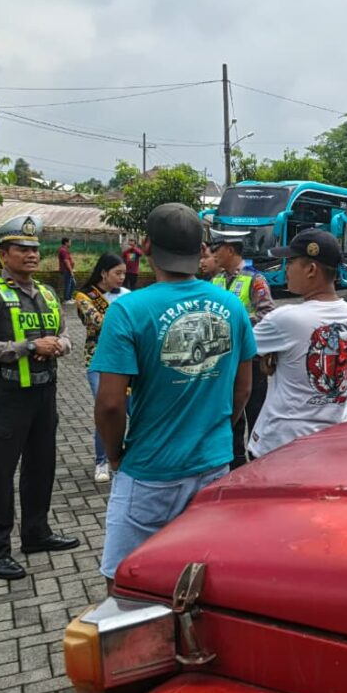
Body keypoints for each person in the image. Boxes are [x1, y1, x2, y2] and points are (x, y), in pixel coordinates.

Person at [92, 203, 255, 591]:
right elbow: (243, 387)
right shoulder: (231, 305)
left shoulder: (128, 310)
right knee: (199, 575)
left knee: (125, 582)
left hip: (150, 470)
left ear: (146, 246)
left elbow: (111, 403)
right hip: (214, 465)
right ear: (201, 248)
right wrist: (215, 430)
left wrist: (115, 455)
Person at [0, 215, 80, 581]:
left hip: (44, 392)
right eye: (22, 249)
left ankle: (36, 533)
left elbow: (65, 335)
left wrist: (58, 345)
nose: (32, 255)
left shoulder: (46, 293)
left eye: (35, 249)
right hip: (7, 395)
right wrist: (28, 346)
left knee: (41, 466)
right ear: (2, 255)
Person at [248, 229, 347, 459]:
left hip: (281, 446)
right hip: (332, 444)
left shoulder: (285, 318)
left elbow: (239, 350)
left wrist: (266, 357)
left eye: (291, 262)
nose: (286, 269)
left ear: (311, 269)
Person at [210, 229, 274, 469]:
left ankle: (259, 462)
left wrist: (236, 321)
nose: (213, 254)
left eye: (217, 249)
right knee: (230, 415)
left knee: (255, 412)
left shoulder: (255, 279)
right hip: (224, 360)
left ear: (230, 249)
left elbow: (267, 314)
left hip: (252, 360)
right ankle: (234, 465)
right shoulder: (215, 280)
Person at [73, 253, 129, 484]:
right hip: (99, 360)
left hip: (127, 360)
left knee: (133, 409)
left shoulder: (126, 295)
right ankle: (102, 460)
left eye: (124, 273)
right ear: (104, 272)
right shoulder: (84, 296)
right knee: (106, 409)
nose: (122, 278)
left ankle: (131, 458)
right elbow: (98, 322)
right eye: (118, 273)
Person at [57, 237, 76, 302]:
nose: (70, 243)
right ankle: (66, 299)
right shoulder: (63, 250)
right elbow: (66, 261)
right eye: (70, 242)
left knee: (73, 284)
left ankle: (69, 298)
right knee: (68, 284)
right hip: (66, 270)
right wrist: (71, 271)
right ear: (66, 242)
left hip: (68, 270)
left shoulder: (65, 250)